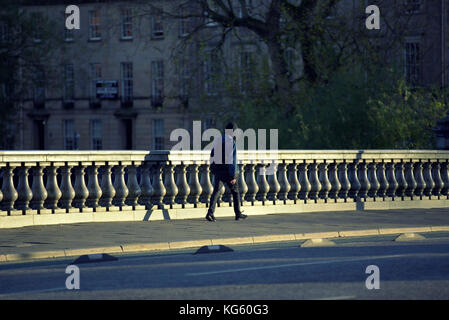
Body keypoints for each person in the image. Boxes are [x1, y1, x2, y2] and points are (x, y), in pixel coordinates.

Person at [206, 122, 247, 222]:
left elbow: (212, 155)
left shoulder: (218, 140)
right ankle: (238, 214)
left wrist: (213, 168)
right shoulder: (231, 142)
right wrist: (233, 176)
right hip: (227, 172)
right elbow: (232, 160)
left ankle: (210, 213)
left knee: (216, 192)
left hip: (218, 170)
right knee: (235, 192)